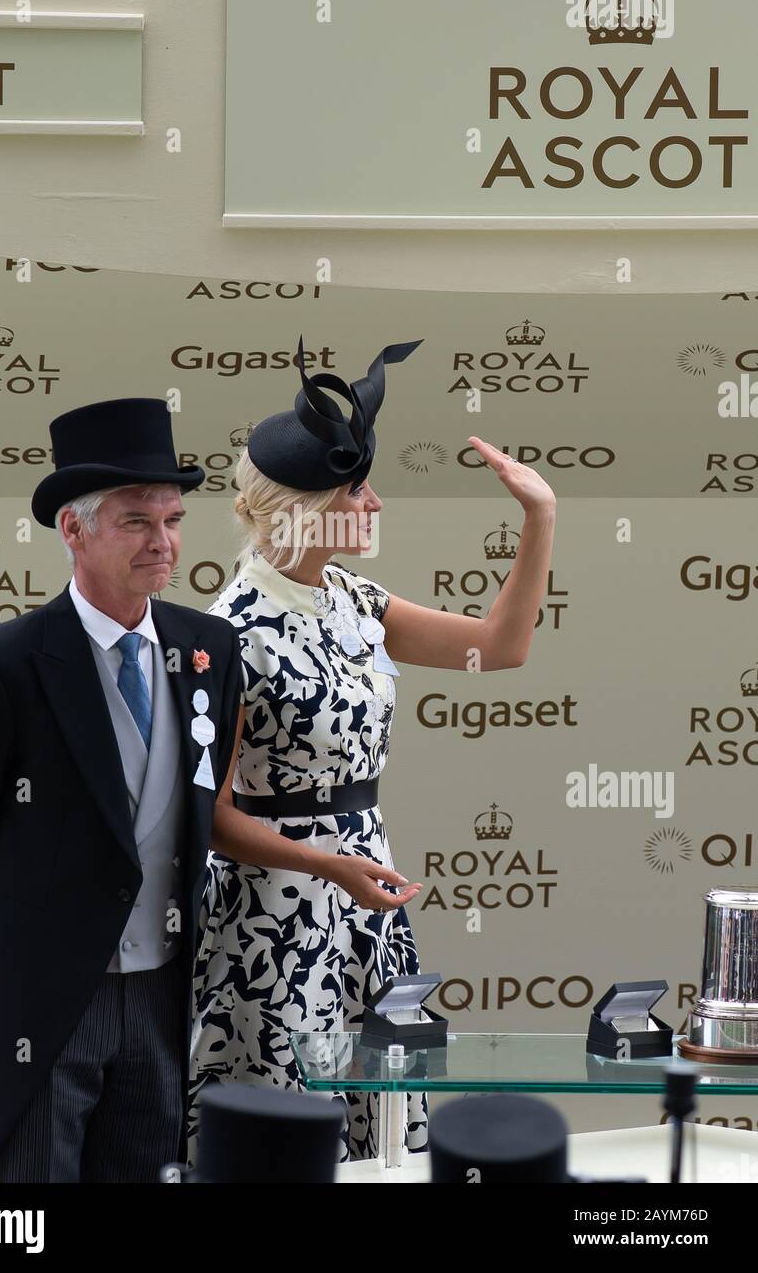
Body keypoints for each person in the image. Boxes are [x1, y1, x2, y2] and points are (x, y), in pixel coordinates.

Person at [186, 338, 557, 1162]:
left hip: (364, 893)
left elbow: (499, 647)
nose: (377, 506)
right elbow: (210, 818)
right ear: (305, 506)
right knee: (281, 1137)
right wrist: (328, 868)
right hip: (272, 914)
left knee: (381, 1129)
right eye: (359, 492)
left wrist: (538, 517)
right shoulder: (232, 631)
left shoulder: (356, 599)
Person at [0, 397, 244, 1183]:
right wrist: (11, 971)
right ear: (74, 530)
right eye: (136, 521)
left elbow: (195, 807)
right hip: (43, 1003)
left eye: (171, 520)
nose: (162, 542)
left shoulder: (210, 648)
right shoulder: (1, 665)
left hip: (163, 993)